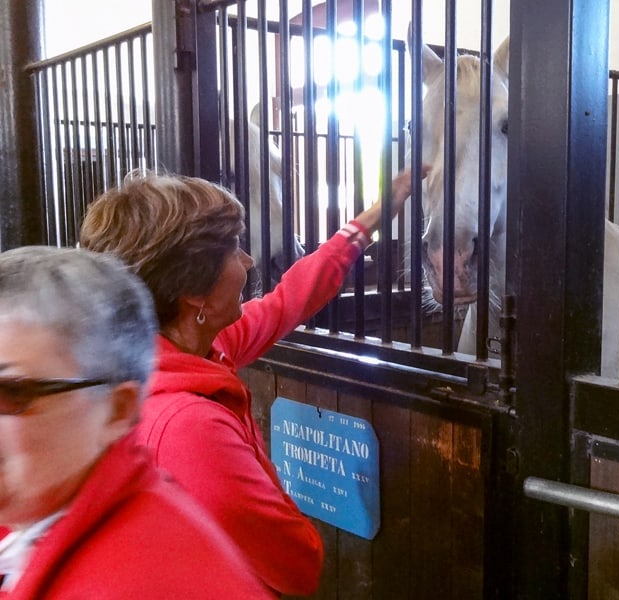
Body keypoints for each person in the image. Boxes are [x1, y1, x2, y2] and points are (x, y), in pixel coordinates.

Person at [79, 165, 429, 596]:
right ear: (195, 292)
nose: (248, 260)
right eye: (234, 251)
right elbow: (294, 560)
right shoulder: (189, 426)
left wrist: (377, 213)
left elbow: (290, 300)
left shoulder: (181, 352)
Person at [0, 246, 273, 599]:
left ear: (117, 410)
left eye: (11, 392)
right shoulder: (38, 517)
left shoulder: (156, 579)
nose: (248, 260)